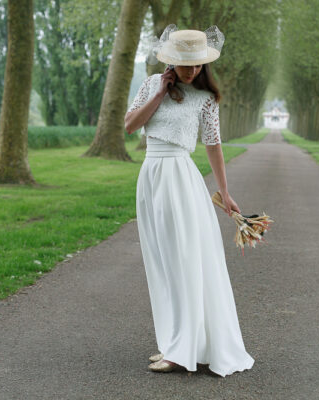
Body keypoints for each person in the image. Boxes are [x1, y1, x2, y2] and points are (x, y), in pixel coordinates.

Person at [123, 26, 255, 377]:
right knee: (162, 263)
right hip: (150, 177)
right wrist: (161, 92)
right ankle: (174, 343)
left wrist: (225, 193)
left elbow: (214, 146)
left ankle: (182, 351)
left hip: (180, 180)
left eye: (196, 65)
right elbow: (130, 125)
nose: (191, 70)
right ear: (170, 61)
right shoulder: (153, 84)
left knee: (184, 260)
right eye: (184, 64)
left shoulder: (206, 99)